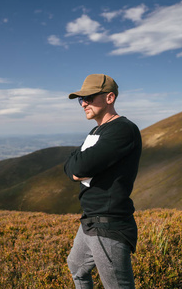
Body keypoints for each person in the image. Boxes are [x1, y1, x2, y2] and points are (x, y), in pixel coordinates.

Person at [64, 74, 142, 289]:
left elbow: (78, 167)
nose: (84, 104)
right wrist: (75, 165)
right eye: (81, 100)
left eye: (89, 97)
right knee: (76, 266)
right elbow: (73, 167)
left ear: (109, 98)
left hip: (108, 223)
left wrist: (75, 165)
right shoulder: (97, 130)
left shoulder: (123, 129)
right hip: (91, 220)